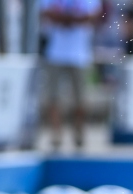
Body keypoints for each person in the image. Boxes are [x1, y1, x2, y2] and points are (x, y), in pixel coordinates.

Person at [40, 0, 102, 150]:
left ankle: (79, 133)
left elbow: (94, 16)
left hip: (80, 55)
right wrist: (74, 19)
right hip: (55, 53)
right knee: (53, 96)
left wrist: (65, 19)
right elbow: (44, 12)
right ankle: (56, 134)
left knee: (81, 99)